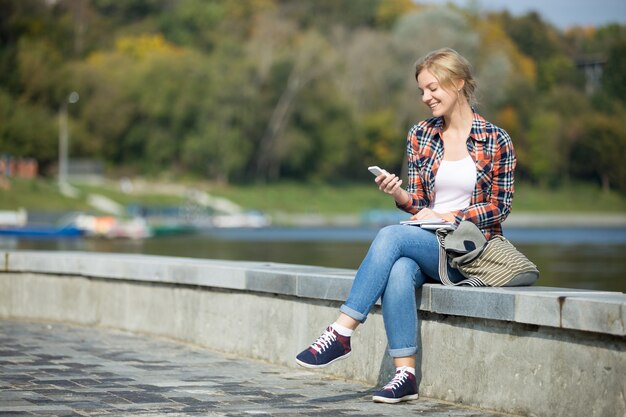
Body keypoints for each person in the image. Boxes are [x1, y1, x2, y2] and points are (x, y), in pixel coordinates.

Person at [295, 48, 516, 404]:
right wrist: (399, 194)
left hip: (468, 252)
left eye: (432, 89)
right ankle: (405, 375)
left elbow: (499, 207)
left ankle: (341, 332)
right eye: (422, 91)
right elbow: (419, 206)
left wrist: (449, 218)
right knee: (399, 268)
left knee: (390, 236)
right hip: (426, 243)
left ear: (458, 83)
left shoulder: (496, 140)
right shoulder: (421, 135)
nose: (425, 98)